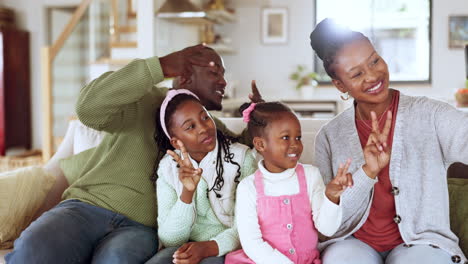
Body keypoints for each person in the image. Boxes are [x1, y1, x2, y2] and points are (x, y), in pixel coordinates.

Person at [6, 44, 262, 263]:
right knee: (33, 248)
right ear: (184, 77)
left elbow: (242, 156)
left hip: (140, 229)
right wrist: (159, 66)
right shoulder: (142, 100)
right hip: (86, 208)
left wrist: (259, 119)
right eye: (214, 72)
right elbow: (87, 109)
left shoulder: (211, 129)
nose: (223, 81)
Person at [310, 18, 468, 263]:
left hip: (421, 242)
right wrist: (367, 172)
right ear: (340, 84)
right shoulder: (329, 137)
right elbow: (328, 221)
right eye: (357, 73)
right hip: (351, 242)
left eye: (374, 60)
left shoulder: (430, 114)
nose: (373, 75)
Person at [225, 102, 353, 264]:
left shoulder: (311, 175)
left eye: (298, 137)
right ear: (260, 144)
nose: (295, 145)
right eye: (285, 137)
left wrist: (332, 197)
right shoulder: (248, 187)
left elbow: (327, 229)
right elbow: (252, 243)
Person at [145, 89, 257, 264]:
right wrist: (187, 193)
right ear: (176, 142)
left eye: (205, 117)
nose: (204, 128)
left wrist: (209, 247)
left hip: (225, 245)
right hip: (185, 246)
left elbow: (248, 226)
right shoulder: (167, 168)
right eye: (190, 127)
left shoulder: (242, 159)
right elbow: (170, 240)